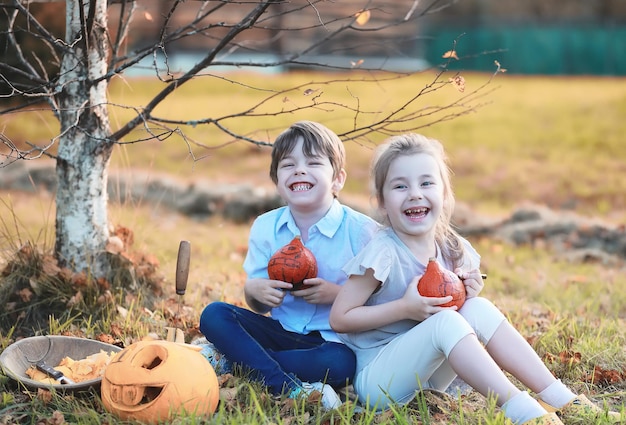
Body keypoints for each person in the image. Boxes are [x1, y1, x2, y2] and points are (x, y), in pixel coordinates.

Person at [329, 133, 623, 424]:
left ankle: (560, 398)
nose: (415, 193)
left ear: (444, 195)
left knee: (477, 307)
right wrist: (403, 309)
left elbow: (460, 313)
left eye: (426, 182)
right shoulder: (382, 253)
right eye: (400, 186)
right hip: (381, 383)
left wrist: (467, 291)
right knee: (445, 322)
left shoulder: (451, 248)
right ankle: (520, 410)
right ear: (381, 202)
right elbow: (340, 318)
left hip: (429, 379)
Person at [198, 121, 380, 410]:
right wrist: (255, 291)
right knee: (214, 314)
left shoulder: (362, 232)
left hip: (329, 343)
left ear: (338, 179)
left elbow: (381, 301)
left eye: (313, 162)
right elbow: (257, 306)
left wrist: (337, 294)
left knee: (340, 364)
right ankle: (293, 387)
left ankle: (235, 361)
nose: (300, 170)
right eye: (288, 164)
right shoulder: (266, 227)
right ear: (277, 180)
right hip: (280, 331)